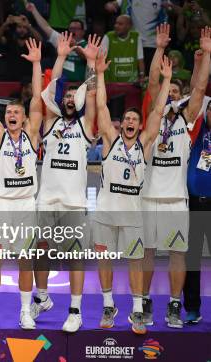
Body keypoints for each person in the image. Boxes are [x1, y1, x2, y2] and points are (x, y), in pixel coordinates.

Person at [92, 49, 172, 335]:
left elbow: (158, 112)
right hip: (105, 211)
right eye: (126, 119)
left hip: (133, 214)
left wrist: (167, 81)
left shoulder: (145, 145)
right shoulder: (110, 140)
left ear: (139, 126)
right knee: (105, 259)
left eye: (134, 120)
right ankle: (107, 305)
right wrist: (100, 74)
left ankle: (137, 311)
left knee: (135, 261)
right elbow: (101, 107)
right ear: (121, 123)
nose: (129, 122)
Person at [141, 25, 211, 329]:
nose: (169, 96)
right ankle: (141, 303)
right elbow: (154, 82)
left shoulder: (188, 120)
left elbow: (199, 88)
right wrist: (158, 49)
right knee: (146, 253)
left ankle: (172, 306)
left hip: (177, 199)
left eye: (174, 93)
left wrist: (207, 53)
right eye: (166, 93)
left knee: (177, 255)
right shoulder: (152, 117)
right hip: (148, 196)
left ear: (179, 99)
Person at [29, 33, 100, 333]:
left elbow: (94, 95)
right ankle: (42, 297)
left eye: (75, 96)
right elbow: (46, 90)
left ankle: (75, 311)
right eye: (67, 96)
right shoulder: (51, 121)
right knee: (40, 250)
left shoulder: (85, 126)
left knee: (74, 257)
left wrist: (92, 63)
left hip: (73, 202)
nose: (71, 98)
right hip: (47, 199)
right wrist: (59, 57)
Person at [0, 38, 43, 330]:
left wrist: (36, 64)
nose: (12, 115)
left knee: (25, 260)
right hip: (1, 204)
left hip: (27, 204)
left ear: (25, 119)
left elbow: (38, 100)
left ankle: (25, 311)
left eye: (17, 113)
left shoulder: (32, 137)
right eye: (9, 114)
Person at [184, 99, 211, 325]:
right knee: (191, 259)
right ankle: (192, 308)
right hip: (194, 204)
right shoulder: (198, 130)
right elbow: (199, 94)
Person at [26, 2, 88, 82]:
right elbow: (46, 27)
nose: (73, 31)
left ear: (83, 32)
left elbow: (88, 58)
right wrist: (33, 10)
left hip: (79, 85)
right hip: (60, 84)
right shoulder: (62, 41)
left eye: (77, 28)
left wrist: (75, 46)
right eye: (71, 28)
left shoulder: (88, 45)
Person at [0, 14, 43, 82]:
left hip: (28, 78)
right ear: (15, 28)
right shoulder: (10, 39)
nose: (22, 30)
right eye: (19, 27)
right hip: (11, 77)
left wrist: (28, 26)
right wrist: (5, 24)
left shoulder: (32, 41)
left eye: (24, 27)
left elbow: (40, 40)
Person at [101, 15, 145, 84]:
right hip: (112, 83)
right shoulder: (108, 36)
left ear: (129, 26)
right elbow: (101, 59)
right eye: (116, 23)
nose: (116, 26)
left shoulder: (136, 36)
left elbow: (140, 58)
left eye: (120, 24)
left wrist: (142, 76)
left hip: (132, 83)